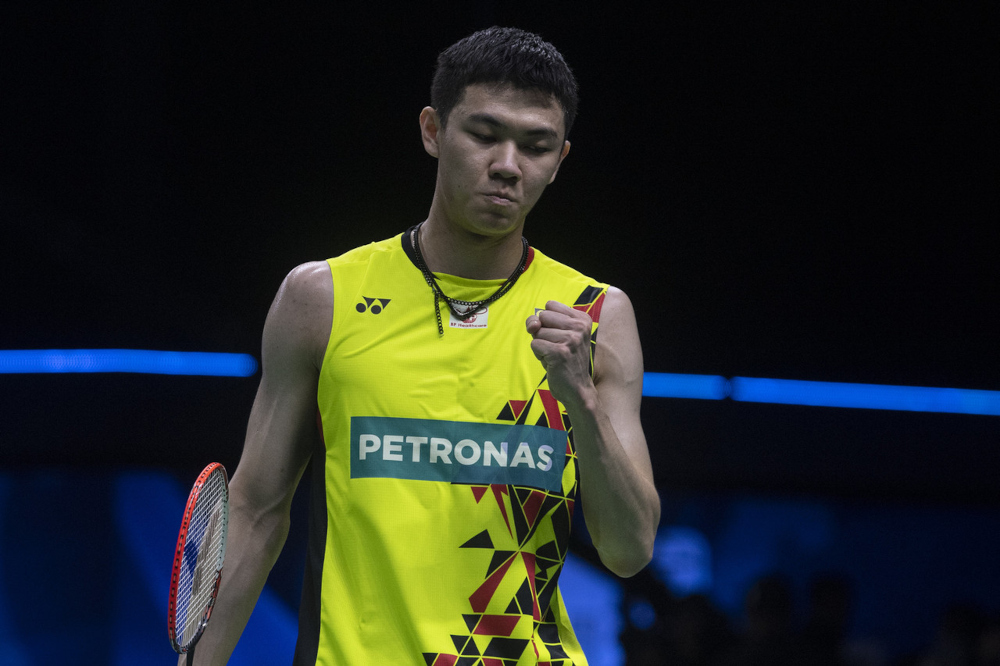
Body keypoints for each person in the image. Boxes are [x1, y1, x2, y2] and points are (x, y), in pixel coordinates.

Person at [184, 26, 660, 665]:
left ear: (560, 160)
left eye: (536, 146)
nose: (508, 165)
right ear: (433, 130)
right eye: (484, 135)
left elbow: (629, 550)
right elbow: (255, 511)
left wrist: (581, 399)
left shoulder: (594, 316)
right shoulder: (322, 299)